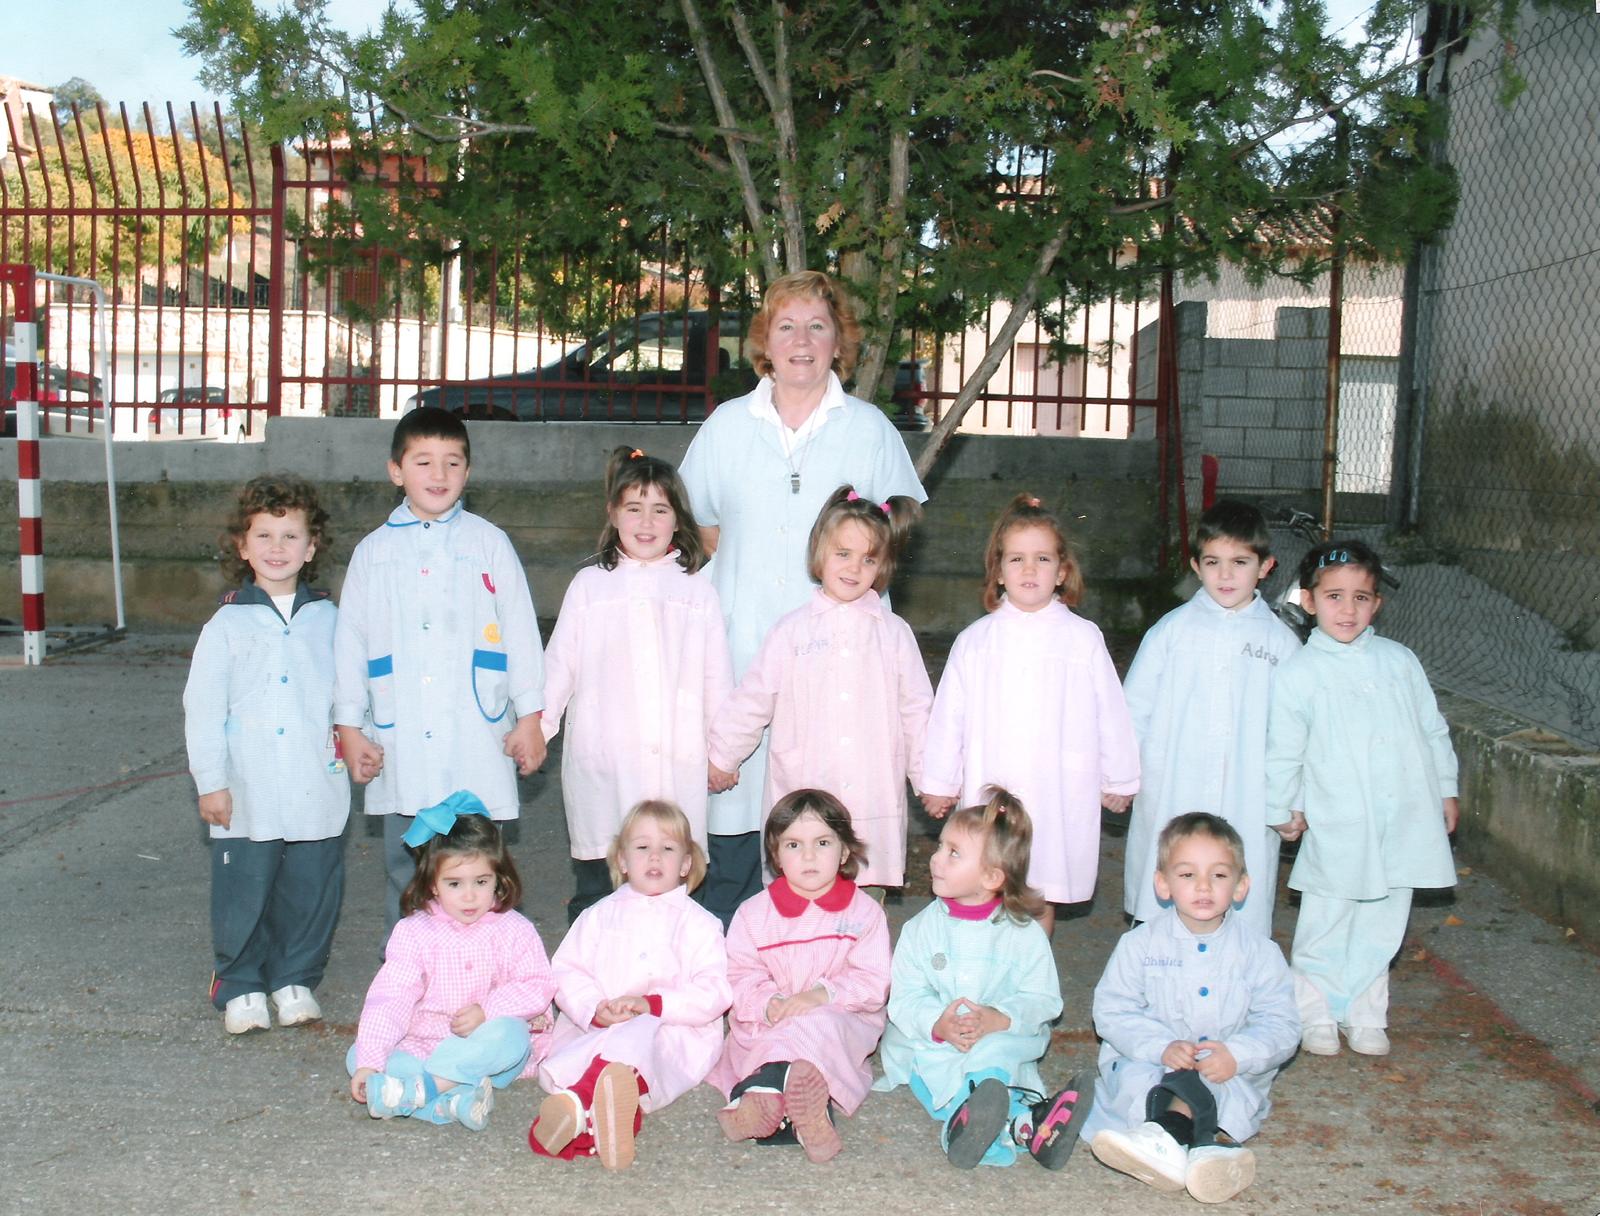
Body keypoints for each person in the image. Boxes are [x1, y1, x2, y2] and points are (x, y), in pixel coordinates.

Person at [680, 270, 926, 925]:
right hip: (742, 644)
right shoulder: (728, 426)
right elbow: (700, 525)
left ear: (839, 341)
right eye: (786, 325)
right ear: (765, 338)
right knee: (733, 815)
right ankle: (731, 980)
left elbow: (893, 528)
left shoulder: (869, 429)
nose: (802, 340)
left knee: (829, 816)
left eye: (818, 325)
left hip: (841, 663)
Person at [333, 407, 546, 934]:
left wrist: (531, 716)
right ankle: (406, 976)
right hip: (400, 740)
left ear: (468, 473)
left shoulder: (488, 543)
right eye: (423, 461)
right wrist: (348, 728)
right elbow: (349, 646)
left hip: (475, 734)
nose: (439, 475)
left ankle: (485, 971)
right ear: (396, 471)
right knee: (406, 868)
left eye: (453, 463)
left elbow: (521, 634)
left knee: (478, 868)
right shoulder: (373, 554)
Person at [1266, 540, 1460, 1057]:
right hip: (1339, 817)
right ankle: (1316, 1011)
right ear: (1309, 601)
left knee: (1384, 915)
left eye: (1361, 597)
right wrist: (1284, 808)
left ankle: (1365, 1011)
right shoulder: (1298, 674)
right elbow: (1283, 751)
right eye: (1333, 597)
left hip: (1402, 816)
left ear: (1377, 603)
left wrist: (1445, 787)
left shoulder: (1399, 662)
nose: (1347, 610)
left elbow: (1431, 729)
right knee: (1328, 915)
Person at [920, 494, 1140, 935]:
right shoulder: (976, 641)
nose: (1028, 570)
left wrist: (1120, 779)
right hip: (990, 786)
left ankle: (1027, 988)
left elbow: (1111, 715)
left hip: (1055, 790)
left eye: (1042, 559)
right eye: (1016, 559)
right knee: (985, 885)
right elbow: (949, 717)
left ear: (1061, 572)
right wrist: (939, 782)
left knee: (1038, 889)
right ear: (998, 572)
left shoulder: (1082, 639)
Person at [183, 474, 349, 1034]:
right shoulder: (227, 623)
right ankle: (240, 982)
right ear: (242, 545)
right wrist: (211, 780)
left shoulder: (330, 620)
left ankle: (295, 976)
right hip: (247, 786)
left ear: (312, 546)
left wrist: (362, 740)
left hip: (314, 782)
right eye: (264, 535)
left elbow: (350, 694)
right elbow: (202, 708)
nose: (277, 548)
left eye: (290, 536)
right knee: (245, 887)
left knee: (311, 885)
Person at [541, 447, 734, 923]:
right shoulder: (589, 586)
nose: (646, 522)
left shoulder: (696, 591)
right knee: (600, 881)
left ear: (677, 520)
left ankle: (679, 986)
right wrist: (536, 730)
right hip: (605, 761)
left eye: (660, 510)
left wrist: (723, 753)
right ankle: (591, 990)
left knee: (674, 877)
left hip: (677, 761)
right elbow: (558, 667)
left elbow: (717, 678)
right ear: (613, 513)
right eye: (634, 508)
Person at [707, 487, 931, 889]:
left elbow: (917, 710)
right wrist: (723, 755)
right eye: (843, 553)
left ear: (882, 567)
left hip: (870, 791)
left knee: (863, 901)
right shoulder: (791, 631)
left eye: (868, 559)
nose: (854, 567)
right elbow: (754, 698)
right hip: (805, 786)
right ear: (819, 553)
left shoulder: (895, 634)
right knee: (800, 898)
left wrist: (931, 779)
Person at [1085, 813, 1299, 1204]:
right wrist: (1159, 1046)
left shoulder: (1260, 953)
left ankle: (1170, 1139)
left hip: (1225, 1069)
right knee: (1142, 1080)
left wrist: (1238, 1054)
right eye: (1187, 875)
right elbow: (1112, 1011)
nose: (1203, 886)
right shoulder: (1139, 945)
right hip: (1149, 1060)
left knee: (1218, 1087)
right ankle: (1202, 1147)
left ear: (1241, 886)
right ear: (1163, 885)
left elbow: (1281, 1024)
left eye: (1219, 875)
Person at [875, 789, 1091, 1170]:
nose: (936, 859)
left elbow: (1043, 997)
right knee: (932, 1066)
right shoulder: (922, 929)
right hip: (934, 1045)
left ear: (992, 877)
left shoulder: (1023, 933)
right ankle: (1019, 1125)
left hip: (996, 1038)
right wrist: (937, 1022)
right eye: (940, 846)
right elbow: (905, 995)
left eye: (953, 853)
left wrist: (1001, 1017)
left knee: (995, 1062)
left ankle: (1006, 1124)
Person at [1121, 500, 1301, 936]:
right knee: (1169, 875)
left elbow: (1295, 732)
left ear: (1265, 567)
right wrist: (1121, 777)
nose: (1225, 575)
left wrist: (1294, 800)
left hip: (1248, 794)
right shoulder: (1171, 631)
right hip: (1174, 786)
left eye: (1240, 562)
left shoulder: (1281, 643)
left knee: (1240, 891)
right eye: (1213, 562)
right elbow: (1133, 709)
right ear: (1195, 566)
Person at [530, 801, 731, 1171]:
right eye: (642, 848)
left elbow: (715, 989)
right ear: (622, 860)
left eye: (668, 849)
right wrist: (594, 1007)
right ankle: (606, 1122)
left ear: (686, 864)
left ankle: (576, 1107)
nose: (654, 857)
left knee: (639, 1043)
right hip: (599, 1026)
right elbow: (567, 970)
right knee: (618, 1059)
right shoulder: (598, 915)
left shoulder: (700, 924)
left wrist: (654, 1004)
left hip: (671, 1029)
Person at [347, 795, 555, 1131]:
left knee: (512, 1035)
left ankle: (424, 1089)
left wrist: (488, 1009)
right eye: (455, 884)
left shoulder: (514, 928)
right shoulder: (414, 932)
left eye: (482, 882)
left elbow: (538, 984)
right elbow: (391, 998)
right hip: (423, 1043)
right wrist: (370, 1062)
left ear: (498, 878)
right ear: (432, 884)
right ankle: (449, 1102)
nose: (470, 896)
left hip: (484, 1047)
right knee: (358, 1056)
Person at [709, 789, 891, 1164]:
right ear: (776, 856)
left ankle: (763, 1092)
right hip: (768, 1023)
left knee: (817, 1024)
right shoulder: (753, 914)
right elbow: (739, 974)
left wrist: (820, 996)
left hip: (839, 1017)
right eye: (794, 844)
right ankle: (804, 1110)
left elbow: (873, 981)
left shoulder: (864, 913)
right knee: (786, 1037)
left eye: (822, 842)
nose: (808, 855)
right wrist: (766, 1002)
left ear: (843, 852)